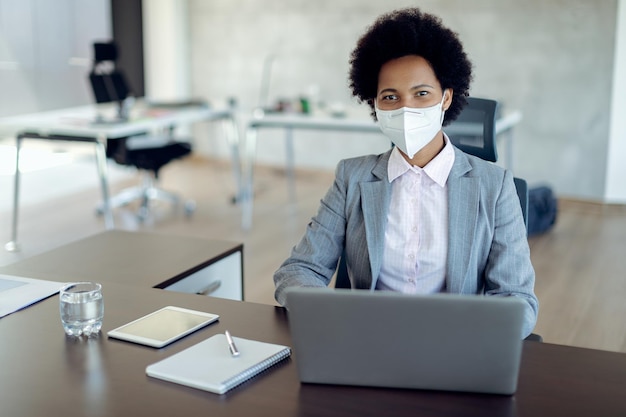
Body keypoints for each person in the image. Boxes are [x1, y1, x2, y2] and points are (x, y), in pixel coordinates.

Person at [273, 7, 538, 337]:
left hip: (456, 344)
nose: (405, 108)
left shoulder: (495, 186)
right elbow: (298, 270)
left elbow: (519, 300)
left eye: (421, 93)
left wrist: (474, 338)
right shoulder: (352, 178)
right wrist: (336, 317)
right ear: (375, 105)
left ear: (446, 98)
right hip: (368, 339)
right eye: (390, 97)